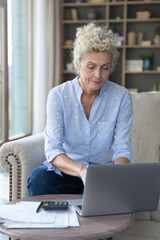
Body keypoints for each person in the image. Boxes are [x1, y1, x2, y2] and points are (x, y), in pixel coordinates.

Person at [28, 23, 134, 197]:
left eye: (105, 68)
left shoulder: (121, 97)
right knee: (39, 178)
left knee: (132, 185)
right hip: (70, 172)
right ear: (77, 63)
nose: (98, 75)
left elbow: (122, 148)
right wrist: (82, 171)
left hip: (104, 175)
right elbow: (53, 149)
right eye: (91, 67)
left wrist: (118, 177)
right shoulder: (59, 95)